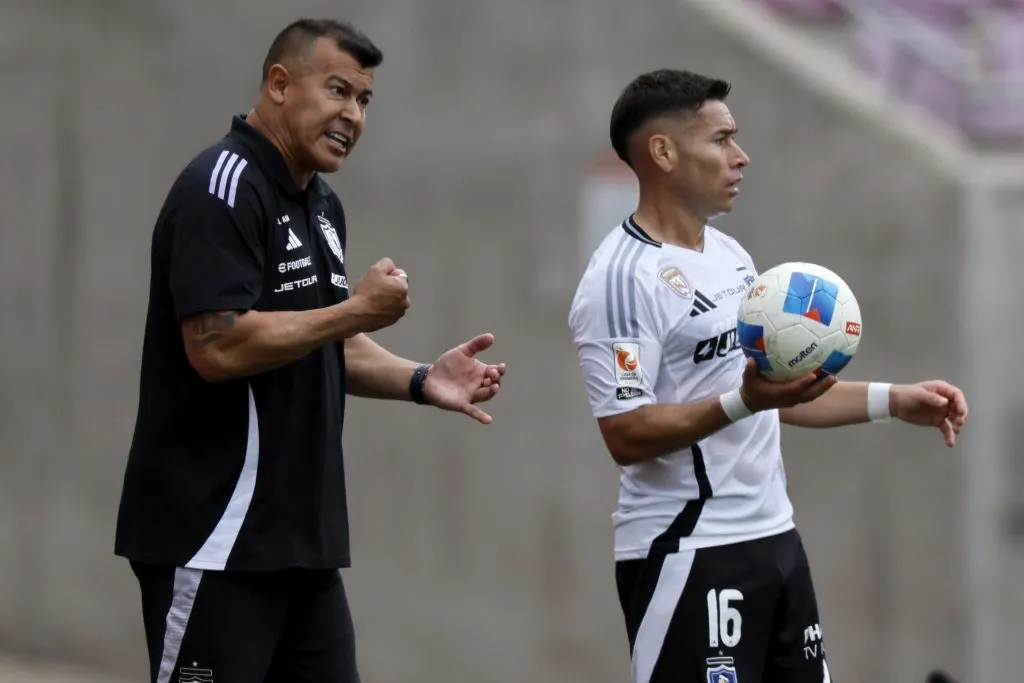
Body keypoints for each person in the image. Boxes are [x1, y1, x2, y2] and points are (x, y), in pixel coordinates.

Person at [114, 18, 506, 683]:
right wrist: (354, 309)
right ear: (279, 84)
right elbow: (217, 345)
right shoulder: (222, 187)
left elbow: (323, 338)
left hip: (299, 549)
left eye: (364, 101)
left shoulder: (321, 206)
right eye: (337, 91)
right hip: (216, 541)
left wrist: (419, 379)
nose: (352, 115)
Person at [566, 69, 969, 683]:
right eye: (722, 139)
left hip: (775, 538)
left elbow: (769, 397)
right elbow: (625, 432)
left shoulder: (729, 256)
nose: (741, 156)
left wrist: (896, 400)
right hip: (689, 552)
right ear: (664, 152)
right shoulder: (622, 280)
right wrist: (742, 401)